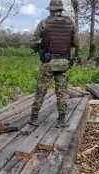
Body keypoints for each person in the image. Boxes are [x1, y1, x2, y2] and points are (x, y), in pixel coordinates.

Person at [30, 0, 79, 128]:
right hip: (64, 62)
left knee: (41, 89)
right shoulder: (71, 24)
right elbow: (77, 43)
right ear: (61, 10)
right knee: (61, 91)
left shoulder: (44, 23)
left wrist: (38, 48)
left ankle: (34, 117)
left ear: (51, 10)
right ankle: (61, 119)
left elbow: (34, 42)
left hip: (48, 62)